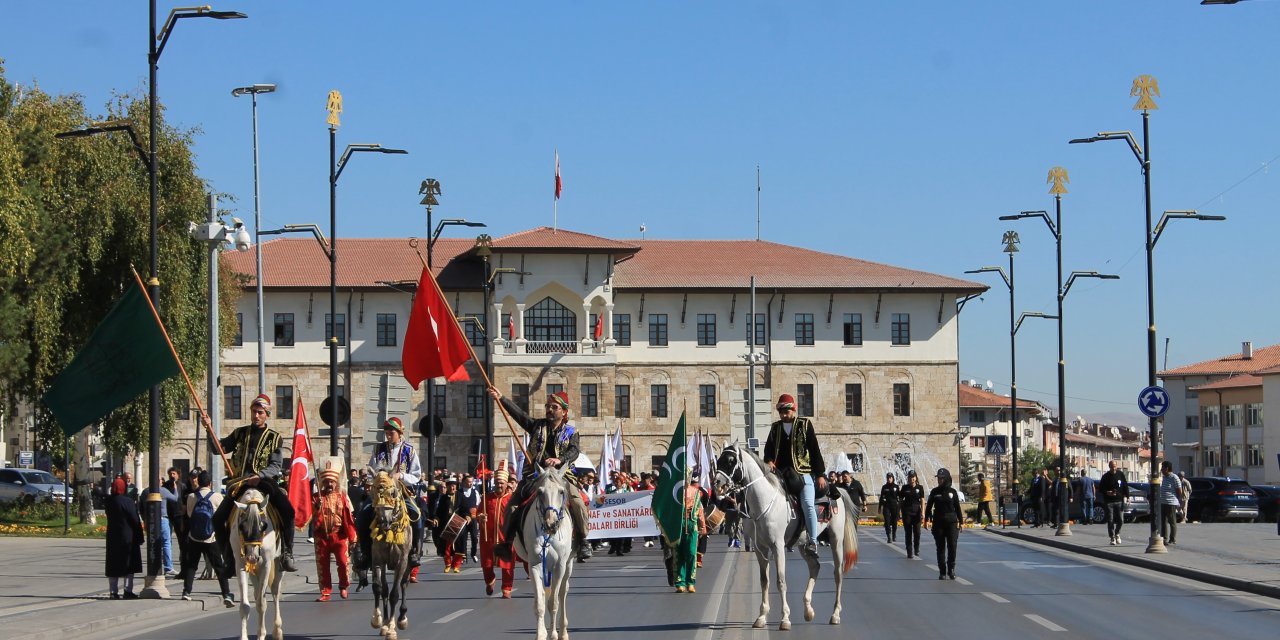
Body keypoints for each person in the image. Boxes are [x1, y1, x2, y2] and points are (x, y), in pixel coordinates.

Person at [489, 387, 592, 562]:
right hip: (535, 476)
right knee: (512, 506)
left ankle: (583, 540)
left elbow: (574, 451)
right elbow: (519, 415)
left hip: (561, 476)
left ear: (564, 412)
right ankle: (507, 542)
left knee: (577, 502)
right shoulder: (537, 426)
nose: (549, 410)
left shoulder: (571, 432)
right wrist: (502, 398)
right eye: (548, 406)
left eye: (554, 407)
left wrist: (559, 459)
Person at [211, 394, 298, 572]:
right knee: (217, 518)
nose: (256, 415)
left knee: (288, 512)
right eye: (254, 412)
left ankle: (287, 553)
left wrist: (260, 475)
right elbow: (218, 449)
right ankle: (228, 558)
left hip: (265, 483)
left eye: (260, 412)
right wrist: (208, 428)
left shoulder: (274, 438)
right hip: (240, 483)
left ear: (266, 414)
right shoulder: (240, 433)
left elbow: (276, 465)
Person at [762, 393, 826, 554]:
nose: (784, 415)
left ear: (794, 410)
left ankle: (813, 541)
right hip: (781, 475)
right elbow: (768, 448)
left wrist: (819, 474)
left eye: (787, 412)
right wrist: (769, 460)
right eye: (781, 412)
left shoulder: (805, 424)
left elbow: (814, 449)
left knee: (808, 504)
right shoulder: (775, 428)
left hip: (803, 473)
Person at [361, 417, 424, 568]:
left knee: (417, 516)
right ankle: (364, 553)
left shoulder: (409, 450)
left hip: (401, 491)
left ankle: (415, 551)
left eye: (392, 432)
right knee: (363, 515)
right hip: (381, 493)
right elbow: (371, 471)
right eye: (387, 432)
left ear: (400, 432)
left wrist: (400, 475)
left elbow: (416, 475)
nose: (388, 435)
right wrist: (373, 481)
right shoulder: (379, 449)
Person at [180, 471, 233, 606]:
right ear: (210, 483)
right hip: (211, 537)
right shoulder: (217, 497)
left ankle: (186, 591)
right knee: (219, 566)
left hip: (194, 536)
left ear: (199, 482)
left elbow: (190, 514)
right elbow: (222, 516)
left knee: (192, 565)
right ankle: (226, 593)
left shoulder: (191, 496)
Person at [312, 465, 357, 601]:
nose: (329, 484)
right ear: (322, 483)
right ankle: (325, 592)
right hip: (322, 536)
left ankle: (343, 586)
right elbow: (309, 516)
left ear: (336, 483)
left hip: (339, 535)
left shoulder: (342, 497)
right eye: (326, 482)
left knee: (343, 562)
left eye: (331, 482)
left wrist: (352, 538)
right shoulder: (316, 497)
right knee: (323, 565)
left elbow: (348, 518)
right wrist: (317, 507)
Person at [478, 463, 516, 597]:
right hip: (488, 536)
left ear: (506, 484)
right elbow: (478, 513)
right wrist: (480, 517)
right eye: (497, 483)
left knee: (507, 564)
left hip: (505, 537)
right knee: (487, 564)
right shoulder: (487, 498)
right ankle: (490, 580)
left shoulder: (512, 499)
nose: (499, 485)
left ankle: (507, 588)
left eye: (501, 483)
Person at [105, 477, 143, 599]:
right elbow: (135, 519)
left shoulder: (109, 501)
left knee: (113, 564)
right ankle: (128, 590)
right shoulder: (128, 502)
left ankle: (113, 591)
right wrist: (140, 535)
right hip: (128, 536)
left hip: (113, 536)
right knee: (129, 563)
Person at [924, 468, 963, 580]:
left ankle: (951, 569)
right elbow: (929, 507)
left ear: (946, 479)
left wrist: (961, 522)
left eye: (942, 478)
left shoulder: (953, 492)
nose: (940, 480)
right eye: (938, 478)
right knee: (940, 547)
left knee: (952, 546)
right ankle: (942, 571)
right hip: (938, 523)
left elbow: (957, 507)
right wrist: (926, 520)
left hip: (952, 523)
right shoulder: (934, 492)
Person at [673, 479, 707, 593]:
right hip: (678, 524)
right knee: (680, 552)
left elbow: (700, 509)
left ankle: (690, 582)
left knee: (691, 552)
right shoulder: (675, 490)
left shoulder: (696, 492)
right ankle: (680, 582)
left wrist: (703, 526)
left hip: (692, 524)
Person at [1099, 460, 1128, 545]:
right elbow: (1101, 488)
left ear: (1117, 466)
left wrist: (1127, 496)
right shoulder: (1105, 476)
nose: (1113, 468)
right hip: (1109, 501)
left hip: (1119, 500)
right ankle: (1112, 537)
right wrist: (1107, 492)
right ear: (1109, 467)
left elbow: (1125, 485)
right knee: (1110, 520)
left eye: (1115, 466)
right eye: (1112, 466)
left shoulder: (1120, 474)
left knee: (1121, 520)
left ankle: (1117, 533)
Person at [898, 470, 925, 558]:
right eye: (910, 477)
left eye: (913, 477)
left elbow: (922, 500)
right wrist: (899, 512)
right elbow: (901, 500)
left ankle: (916, 548)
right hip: (907, 513)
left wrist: (923, 512)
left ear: (916, 478)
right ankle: (909, 551)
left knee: (917, 532)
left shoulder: (920, 488)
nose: (911, 479)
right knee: (908, 533)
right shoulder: (905, 488)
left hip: (917, 512)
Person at [1159, 461, 1184, 545]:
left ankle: (1172, 538)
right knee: (1163, 522)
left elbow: (1179, 491)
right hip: (1163, 502)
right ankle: (1164, 538)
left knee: (1172, 521)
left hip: (1171, 503)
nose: (1161, 470)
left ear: (1167, 468)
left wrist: (1179, 501)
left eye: (1162, 468)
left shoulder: (1174, 477)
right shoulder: (1164, 478)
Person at [879, 473, 900, 543]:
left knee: (894, 521)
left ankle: (894, 534)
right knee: (887, 521)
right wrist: (879, 507)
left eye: (890, 478)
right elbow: (881, 497)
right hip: (886, 506)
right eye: (888, 478)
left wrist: (899, 508)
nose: (889, 479)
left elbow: (899, 497)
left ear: (893, 478)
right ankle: (889, 536)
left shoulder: (896, 487)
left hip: (894, 507)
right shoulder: (884, 487)